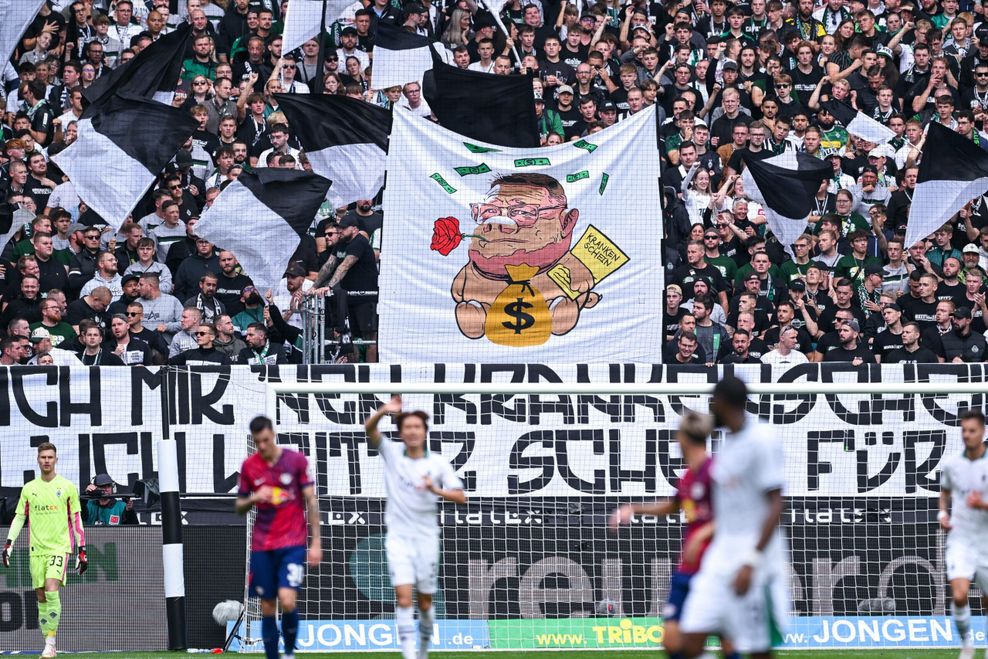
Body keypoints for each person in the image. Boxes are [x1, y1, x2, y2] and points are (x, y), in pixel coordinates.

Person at [610, 412, 739, 659]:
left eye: (678, 436)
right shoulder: (688, 476)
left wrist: (702, 536)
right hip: (688, 569)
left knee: (728, 644)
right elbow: (673, 506)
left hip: (716, 569)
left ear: (685, 439)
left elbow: (737, 515)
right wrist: (634, 509)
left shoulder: (717, 472)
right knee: (671, 641)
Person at [679, 377, 789, 659]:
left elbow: (776, 504)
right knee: (689, 638)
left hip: (754, 559)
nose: (711, 408)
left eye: (714, 402)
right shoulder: (726, 446)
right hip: (719, 557)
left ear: (724, 403)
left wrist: (751, 561)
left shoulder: (762, 439)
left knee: (757, 649)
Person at [364, 396, 467, 659]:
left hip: (426, 539)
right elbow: (369, 429)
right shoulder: (392, 453)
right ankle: (410, 656)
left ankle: (422, 649)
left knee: (424, 602)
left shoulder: (438, 463)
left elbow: (461, 496)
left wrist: (435, 489)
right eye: (407, 427)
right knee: (403, 598)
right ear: (401, 432)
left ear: (424, 431)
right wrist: (384, 410)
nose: (412, 431)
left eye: (417, 427)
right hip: (398, 538)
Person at [235, 415, 321, 659]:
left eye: (264, 440)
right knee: (267, 605)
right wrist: (254, 497)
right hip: (262, 545)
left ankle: (290, 652)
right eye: (257, 441)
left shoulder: (295, 461)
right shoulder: (249, 466)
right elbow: (239, 506)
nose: (261, 446)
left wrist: (316, 542)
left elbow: (311, 501)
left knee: (288, 599)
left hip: (292, 542)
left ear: (272, 434)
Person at [2, 443, 87, 658]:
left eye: (50, 457)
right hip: (36, 551)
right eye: (43, 457)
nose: (47, 460)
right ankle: (49, 642)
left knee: (51, 589)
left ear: (56, 460)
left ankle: (50, 645)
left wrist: (82, 550)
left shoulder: (67, 487)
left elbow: (76, 519)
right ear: (38, 460)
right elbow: (20, 517)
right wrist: (9, 544)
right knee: (40, 596)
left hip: (59, 548)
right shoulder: (29, 488)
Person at [938, 409, 988, 659]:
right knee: (958, 594)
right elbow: (944, 492)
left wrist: (983, 505)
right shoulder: (952, 464)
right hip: (960, 539)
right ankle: (967, 645)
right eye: (964, 431)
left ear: (983, 432)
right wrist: (942, 515)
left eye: (972, 431)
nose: (967, 435)